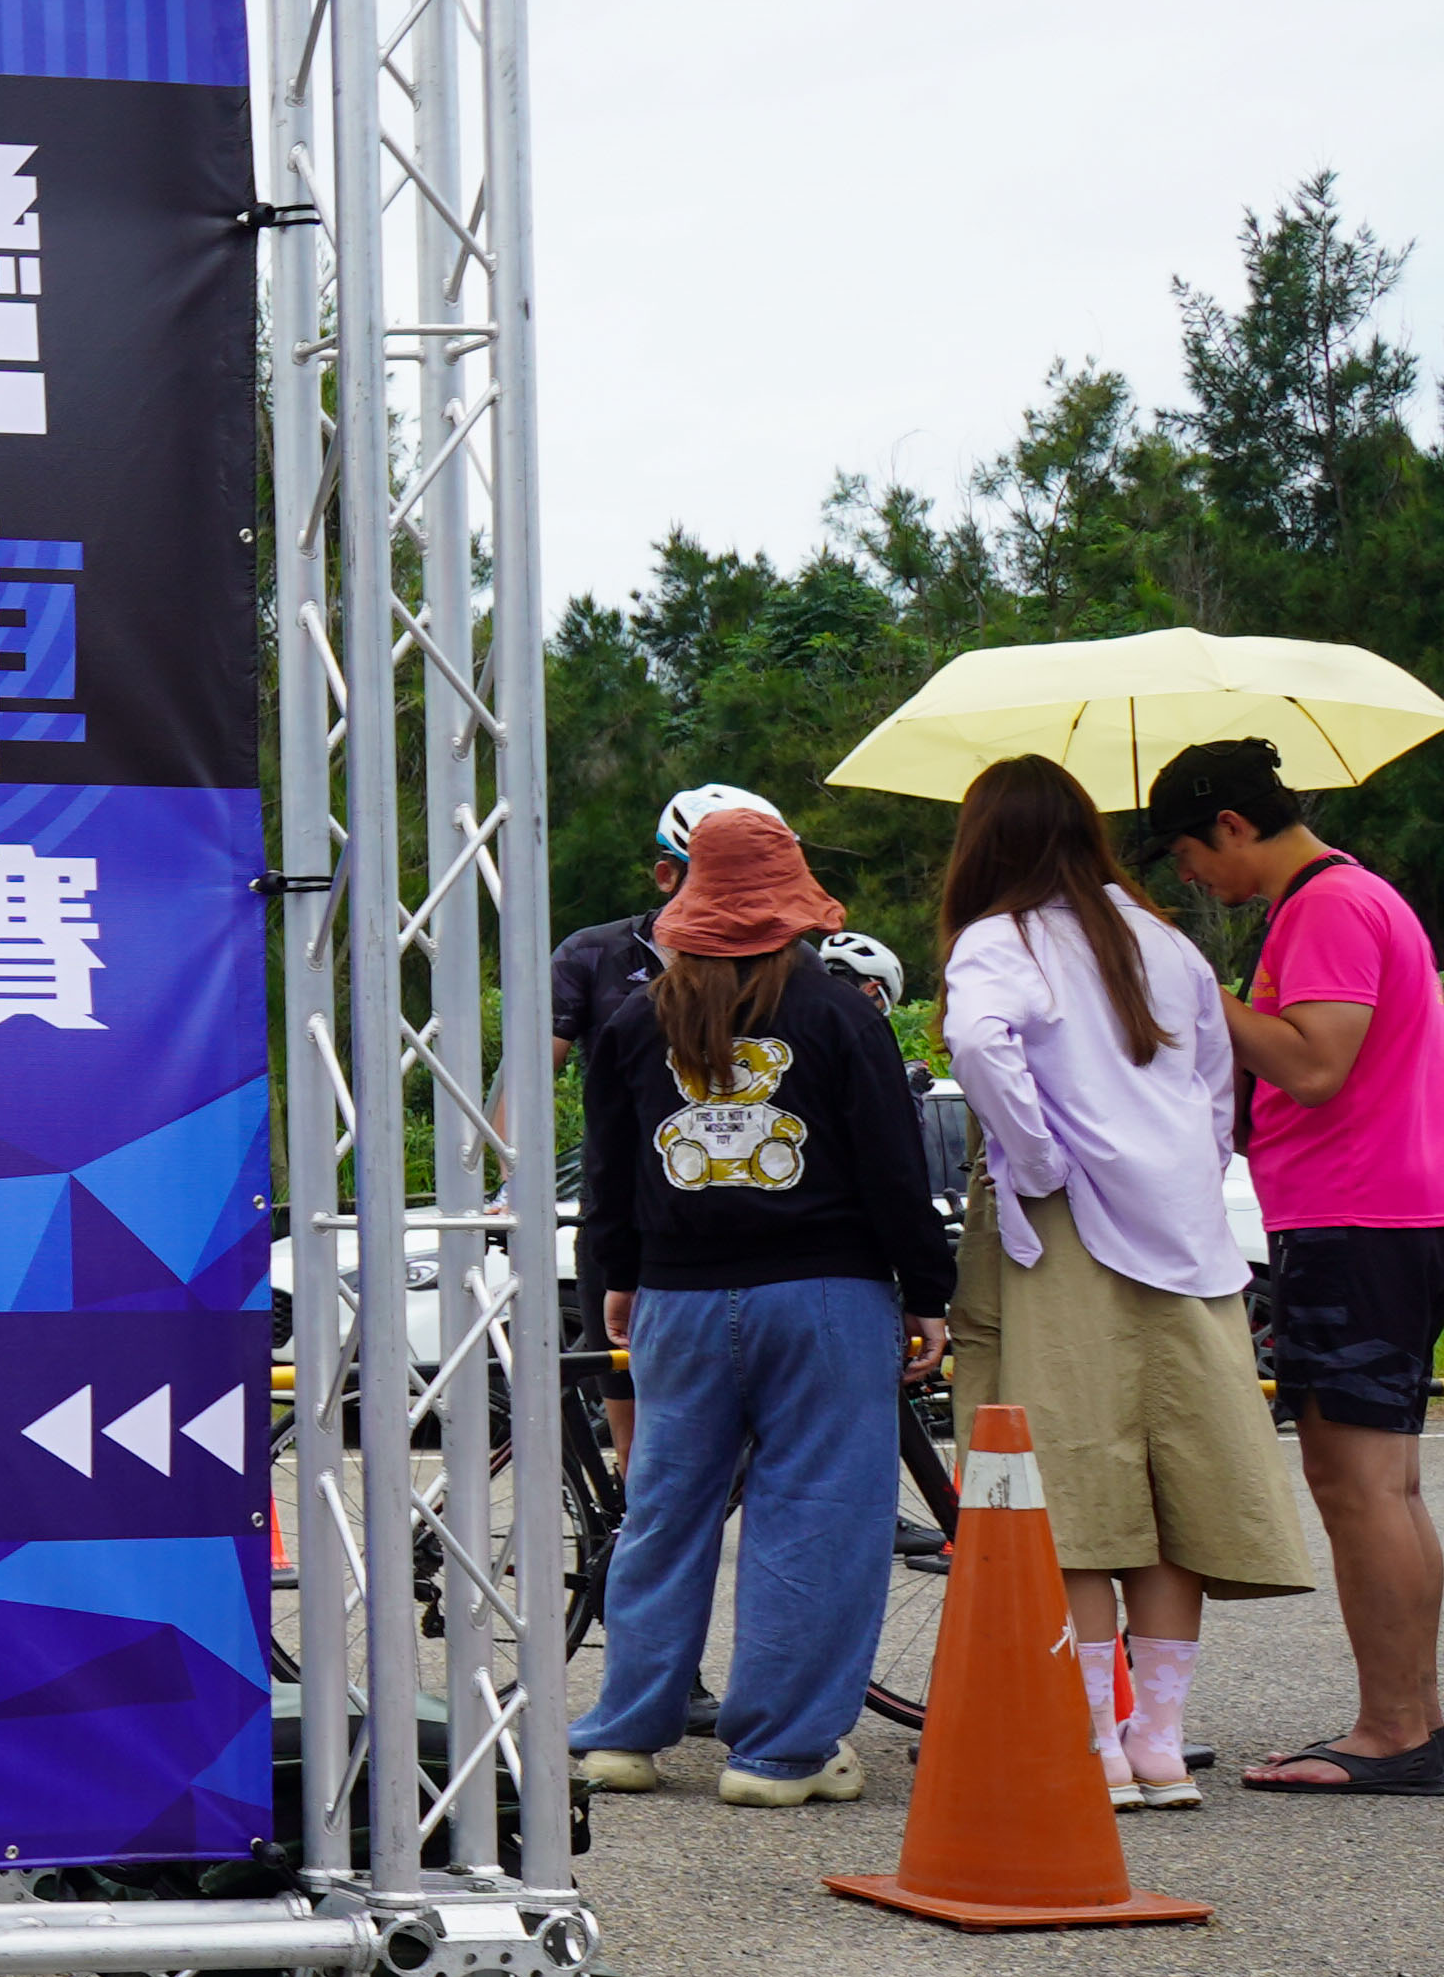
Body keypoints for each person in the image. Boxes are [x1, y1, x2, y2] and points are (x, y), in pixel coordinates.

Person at [932, 756, 1319, 1809]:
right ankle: (1161, 1742)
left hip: (1067, 1237)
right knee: (1174, 1484)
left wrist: (1037, 1158)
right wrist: (1184, 1168)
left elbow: (976, 1042)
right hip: (1185, 1236)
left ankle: (1098, 1742)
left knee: (1077, 1488)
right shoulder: (1166, 941)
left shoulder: (1000, 940)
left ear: (985, 843)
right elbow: (1215, 1089)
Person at [567, 807, 951, 1804]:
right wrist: (928, 1290)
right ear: (793, 909)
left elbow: (608, 1177)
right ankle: (779, 1752)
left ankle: (623, 1734)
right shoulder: (839, 1014)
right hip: (825, 1294)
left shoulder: (634, 1021)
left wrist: (615, 1278)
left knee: (664, 1512)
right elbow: (893, 1171)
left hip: (677, 1299)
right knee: (816, 1516)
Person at [1143, 738, 1444, 1795]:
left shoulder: (1327, 905)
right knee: (1390, 1484)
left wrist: (1199, 993)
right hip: (1400, 1211)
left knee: (1358, 1485)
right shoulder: (1346, 895)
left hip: (1357, 1218)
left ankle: (1394, 1731)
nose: (1193, 877)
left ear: (1233, 825)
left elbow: (1318, 1063)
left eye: (1189, 856)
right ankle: (1416, 1720)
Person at [550, 784, 788, 1471]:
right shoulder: (594, 953)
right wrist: (509, 1176)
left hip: (755, 1211)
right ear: (666, 875)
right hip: (630, 1209)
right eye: (716, 879)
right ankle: (633, 1500)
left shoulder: (789, 965)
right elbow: (531, 1071)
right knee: (644, 1443)